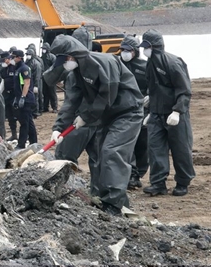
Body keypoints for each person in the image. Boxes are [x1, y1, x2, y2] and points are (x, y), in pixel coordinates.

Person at [50, 34, 143, 215]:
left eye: (65, 59)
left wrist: (86, 116)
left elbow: (107, 95)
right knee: (101, 157)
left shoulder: (105, 62)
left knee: (112, 151)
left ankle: (113, 206)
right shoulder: (76, 73)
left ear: (72, 55)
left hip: (127, 112)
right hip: (106, 116)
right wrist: (58, 128)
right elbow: (71, 102)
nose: (65, 63)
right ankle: (109, 200)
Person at [45, 27, 101, 193]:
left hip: (79, 122)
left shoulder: (76, 72)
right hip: (98, 119)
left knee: (63, 159)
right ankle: (98, 194)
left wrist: (59, 127)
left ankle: (63, 193)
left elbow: (70, 102)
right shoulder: (97, 63)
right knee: (99, 160)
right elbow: (49, 78)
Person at [139, 29, 194, 196]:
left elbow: (184, 90)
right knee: (155, 148)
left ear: (154, 46)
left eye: (146, 47)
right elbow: (154, 88)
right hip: (156, 113)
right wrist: (150, 107)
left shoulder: (173, 63)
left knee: (181, 148)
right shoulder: (150, 63)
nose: (143, 50)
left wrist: (177, 111)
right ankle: (158, 183)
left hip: (175, 114)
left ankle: (183, 182)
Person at [117, 37, 150, 189]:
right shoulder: (117, 65)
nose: (125, 53)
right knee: (127, 143)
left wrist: (149, 96)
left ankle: (140, 172)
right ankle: (131, 174)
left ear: (135, 52)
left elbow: (154, 84)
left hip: (143, 110)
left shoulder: (145, 66)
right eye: (122, 50)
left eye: (128, 50)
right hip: (123, 110)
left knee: (143, 143)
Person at [10, 50, 37, 148]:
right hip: (21, 98)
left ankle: (21, 144)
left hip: (26, 99)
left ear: (19, 57)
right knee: (28, 122)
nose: (12, 59)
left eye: (14, 57)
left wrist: (22, 97)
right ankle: (34, 142)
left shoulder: (24, 68)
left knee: (24, 123)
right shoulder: (18, 69)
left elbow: (27, 84)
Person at [0, 54, 18, 141]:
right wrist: (0, 92)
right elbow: (3, 81)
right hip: (7, 94)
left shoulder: (15, 68)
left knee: (18, 115)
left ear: (9, 59)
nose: (4, 61)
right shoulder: (4, 69)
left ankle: (24, 135)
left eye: (5, 59)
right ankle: (14, 134)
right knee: (9, 115)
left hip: (14, 94)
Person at [25, 46, 44, 118]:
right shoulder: (27, 62)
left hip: (35, 82)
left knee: (35, 97)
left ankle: (36, 112)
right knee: (30, 97)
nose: (27, 56)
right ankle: (32, 112)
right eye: (26, 54)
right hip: (29, 82)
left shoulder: (36, 63)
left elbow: (37, 76)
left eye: (28, 54)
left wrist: (36, 85)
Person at [41, 42, 58, 113]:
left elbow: (55, 67)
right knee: (45, 93)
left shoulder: (52, 57)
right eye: (42, 49)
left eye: (44, 49)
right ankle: (45, 107)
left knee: (52, 93)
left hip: (51, 77)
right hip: (44, 77)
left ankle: (54, 107)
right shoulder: (42, 57)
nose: (43, 50)